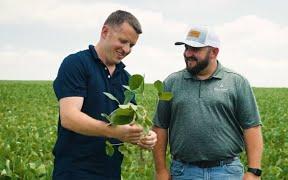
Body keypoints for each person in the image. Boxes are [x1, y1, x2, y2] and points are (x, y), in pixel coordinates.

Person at [52, 10, 157, 179]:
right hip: (74, 172)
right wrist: (114, 131)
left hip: (111, 173)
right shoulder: (76, 64)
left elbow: (131, 125)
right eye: (123, 41)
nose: (126, 49)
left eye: (131, 45)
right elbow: (69, 117)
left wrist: (144, 136)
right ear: (105, 32)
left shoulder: (127, 79)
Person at [152, 26, 263, 180]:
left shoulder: (236, 82)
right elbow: (160, 127)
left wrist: (253, 172)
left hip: (227, 171)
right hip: (183, 172)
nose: (187, 54)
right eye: (186, 48)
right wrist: (161, 170)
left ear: (214, 52)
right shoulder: (172, 83)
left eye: (195, 49)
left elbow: (251, 126)